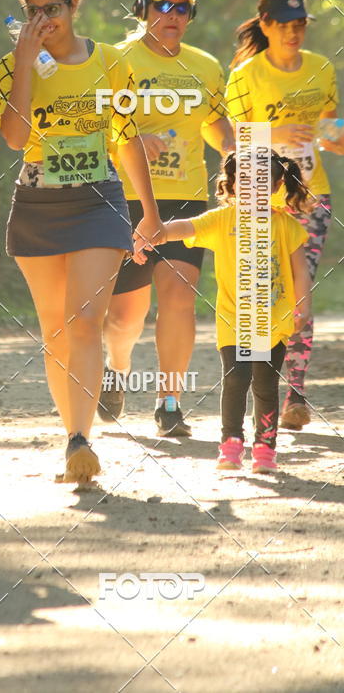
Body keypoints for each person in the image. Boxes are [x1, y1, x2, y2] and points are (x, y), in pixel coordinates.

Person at [0, 0, 161, 485]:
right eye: (34, 11)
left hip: (99, 202)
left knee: (86, 321)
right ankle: (72, 436)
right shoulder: (14, 64)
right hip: (39, 201)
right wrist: (24, 62)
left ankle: (81, 438)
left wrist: (150, 213)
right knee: (55, 330)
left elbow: (128, 140)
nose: (44, 21)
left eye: (54, 9)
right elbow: (16, 138)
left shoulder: (111, 63)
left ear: (74, 5)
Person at [101, 0, 234, 436]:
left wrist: (239, 157)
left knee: (179, 296)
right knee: (124, 318)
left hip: (186, 197)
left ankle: (170, 402)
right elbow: (93, 125)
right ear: (142, 9)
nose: (173, 14)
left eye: (182, 7)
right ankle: (116, 368)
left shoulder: (206, 66)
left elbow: (216, 124)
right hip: (129, 196)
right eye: (163, 5)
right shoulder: (115, 60)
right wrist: (135, 136)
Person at [134, 151, 312, 473]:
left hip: (274, 322)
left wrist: (303, 307)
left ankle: (264, 448)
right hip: (235, 321)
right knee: (236, 379)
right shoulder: (222, 220)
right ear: (232, 185)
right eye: (245, 182)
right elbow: (183, 228)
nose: (253, 190)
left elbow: (301, 271)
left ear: (276, 184)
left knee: (265, 384)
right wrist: (153, 231)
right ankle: (231, 444)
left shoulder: (285, 225)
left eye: (261, 183)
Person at [226, 0, 342, 430]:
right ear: (267, 25)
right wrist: (276, 133)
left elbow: (334, 134)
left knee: (300, 292)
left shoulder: (321, 68)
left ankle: (296, 392)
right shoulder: (245, 76)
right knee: (262, 294)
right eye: (285, 25)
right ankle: (262, 393)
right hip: (263, 202)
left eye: (300, 25)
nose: (294, 32)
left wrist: (325, 136)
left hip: (312, 197)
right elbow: (237, 145)